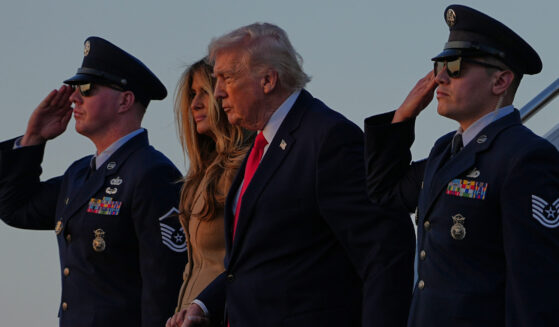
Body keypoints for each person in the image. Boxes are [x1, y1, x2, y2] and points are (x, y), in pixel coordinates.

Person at [182, 23, 415, 327]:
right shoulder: (261, 145)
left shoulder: (327, 139)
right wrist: (204, 305)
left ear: (267, 80)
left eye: (227, 77)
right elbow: (253, 262)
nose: (218, 92)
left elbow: (385, 252)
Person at [364, 4, 559, 326]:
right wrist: (402, 118)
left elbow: (536, 288)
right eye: (440, 64)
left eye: (454, 67)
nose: (440, 77)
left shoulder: (525, 158)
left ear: (500, 82)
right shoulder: (447, 149)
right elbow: (386, 192)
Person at [0, 36, 188, 327]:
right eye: (75, 89)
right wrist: (32, 139)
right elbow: (15, 208)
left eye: (87, 89)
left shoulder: (152, 173)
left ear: (125, 100)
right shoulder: (79, 175)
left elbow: (164, 286)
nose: (74, 97)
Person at [165, 59, 252, 327]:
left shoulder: (247, 167)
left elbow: (249, 261)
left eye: (204, 91)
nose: (195, 104)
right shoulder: (200, 174)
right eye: (192, 94)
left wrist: (203, 307)